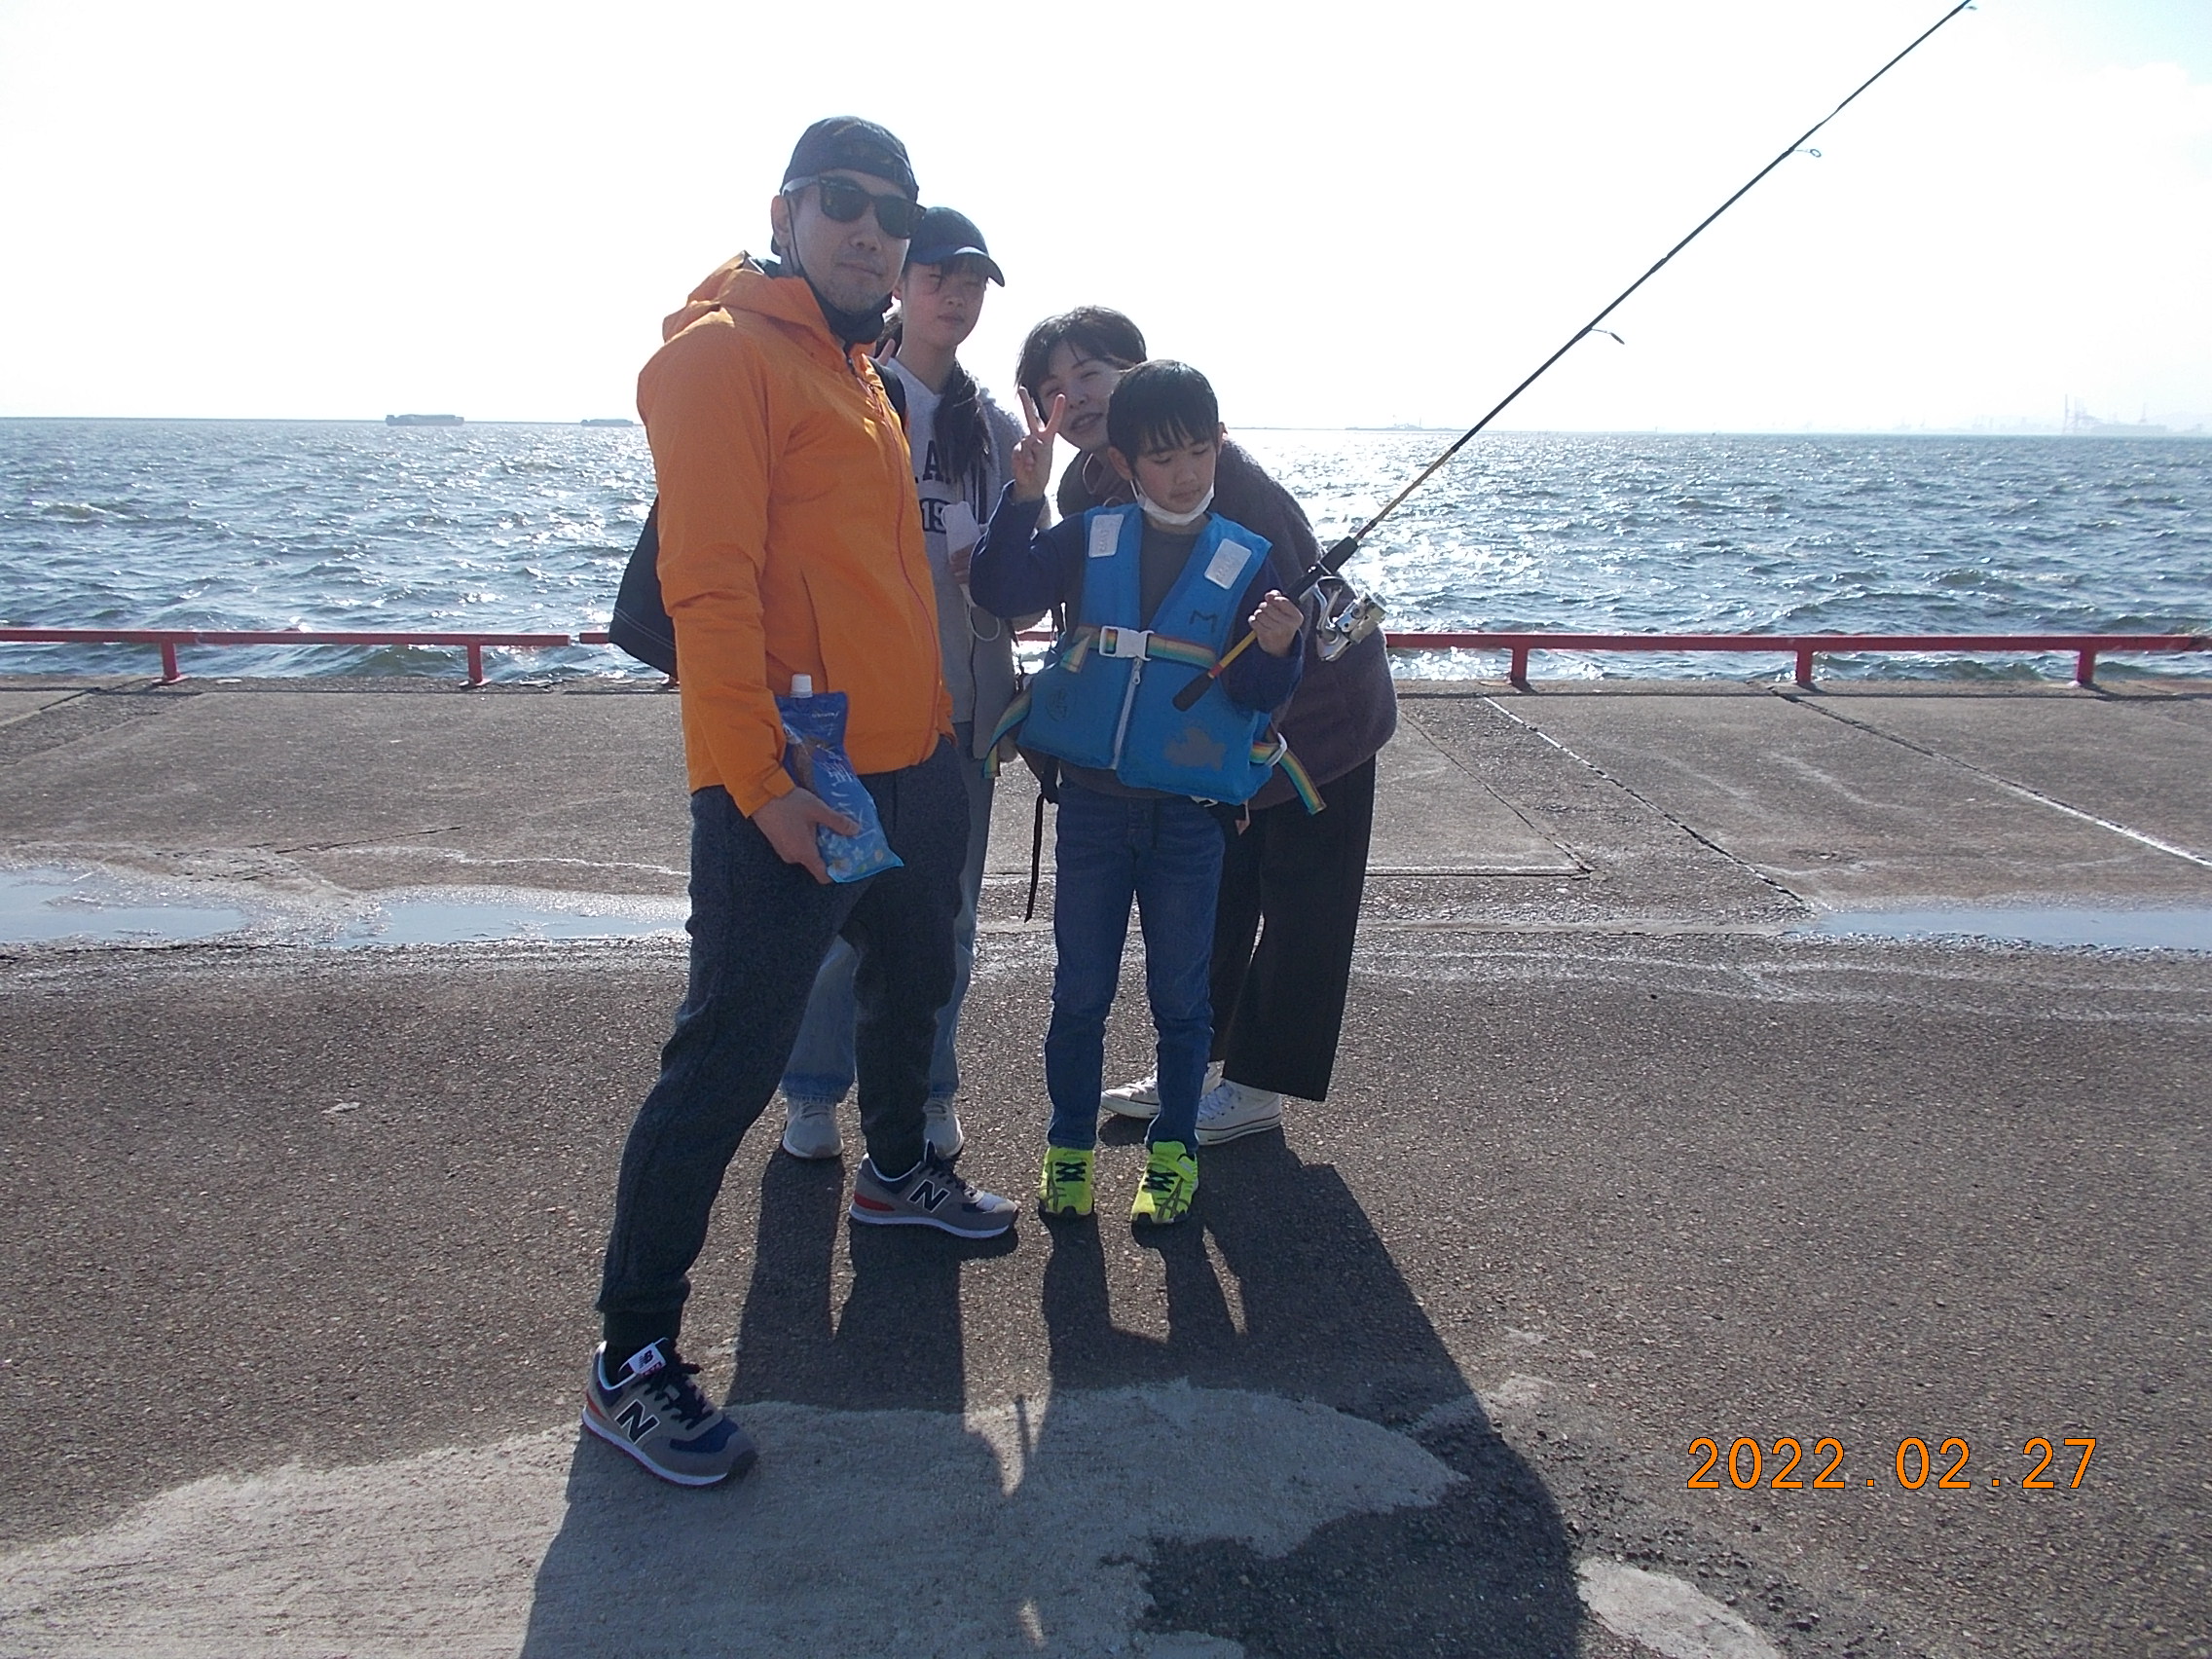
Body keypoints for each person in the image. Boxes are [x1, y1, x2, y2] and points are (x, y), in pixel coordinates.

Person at [585, 118, 1016, 1491]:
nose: (873, 229)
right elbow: (708, 593)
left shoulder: (861, 372)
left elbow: (881, 580)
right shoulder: (718, 359)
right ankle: (630, 1357)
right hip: (788, 786)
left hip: (910, 762)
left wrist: (936, 741)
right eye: (844, 200)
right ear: (786, 211)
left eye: (895, 211)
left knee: (915, 976)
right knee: (726, 1060)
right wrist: (758, 786)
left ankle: (895, 1173)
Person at [1014, 308, 1397, 1147]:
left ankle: (1259, 1085)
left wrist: (1258, 727)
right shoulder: (1084, 490)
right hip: (1199, 738)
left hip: (1319, 724)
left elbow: (1299, 611)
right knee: (1218, 899)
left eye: (1091, 374)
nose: (1076, 398)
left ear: (1136, 371)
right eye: (1052, 389)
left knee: (1303, 908)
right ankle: (1199, 1066)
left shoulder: (1232, 481)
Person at [970, 360, 1304, 1226]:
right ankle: (1068, 1150)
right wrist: (1022, 500)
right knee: (1079, 994)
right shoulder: (1088, 536)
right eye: (1162, 458)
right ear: (1123, 462)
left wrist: (1278, 649)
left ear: (1220, 444)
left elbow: (1259, 696)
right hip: (1090, 811)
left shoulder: (1248, 558)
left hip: (1189, 822)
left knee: (1183, 1004)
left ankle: (1173, 1154)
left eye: (1198, 451)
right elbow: (1003, 593)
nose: (1184, 474)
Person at [777, 207, 1027, 1164]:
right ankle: (812, 1091)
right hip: (847, 713)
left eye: (972, 283)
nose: (955, 296)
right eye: (938, 276)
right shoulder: (848, 395)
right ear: (900, 283)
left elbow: (1018, 583)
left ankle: (930, 1090)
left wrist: (1005, 564)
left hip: (962, 713)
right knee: (838, 913)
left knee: (948, 921)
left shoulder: (995, 429)